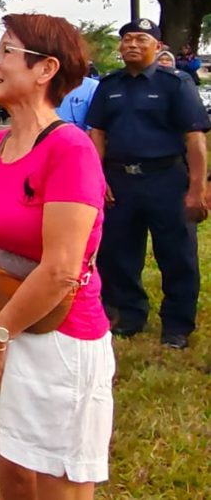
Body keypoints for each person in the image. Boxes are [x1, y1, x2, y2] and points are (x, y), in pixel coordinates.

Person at [0, 12, 116, 498]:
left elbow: (61, 270)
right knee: (12, 468)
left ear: (46, 69)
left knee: (56, 482)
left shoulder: (69, 149)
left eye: (7, 51)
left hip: (56, 339)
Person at [86, 18, 210, 349]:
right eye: (126, 39)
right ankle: (128, 315)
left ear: (158, 46)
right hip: (119, 179)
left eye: (141, 39)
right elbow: (96, 132)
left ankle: (177, 325)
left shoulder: (176, 84)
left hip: (166, 179)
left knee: (177, 253)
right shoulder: (109, 85)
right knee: (118, 252)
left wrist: (198, 187)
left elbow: (195, 137)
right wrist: (98, 178)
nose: (131, 45)